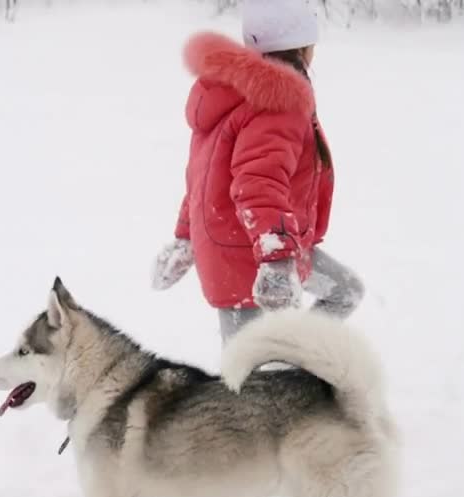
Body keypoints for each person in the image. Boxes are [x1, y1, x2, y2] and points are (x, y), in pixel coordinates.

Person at [152, 0, 364, 343]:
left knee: (344, 291)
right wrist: (277, 260)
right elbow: (258, 184)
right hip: (249, 257)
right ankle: (283, 372)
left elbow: (203, 178)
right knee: (248, 377)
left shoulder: (237, 94)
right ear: (302, 47)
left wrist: (185, 237)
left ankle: (295, 363)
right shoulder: (278, 104)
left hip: (250, 247)